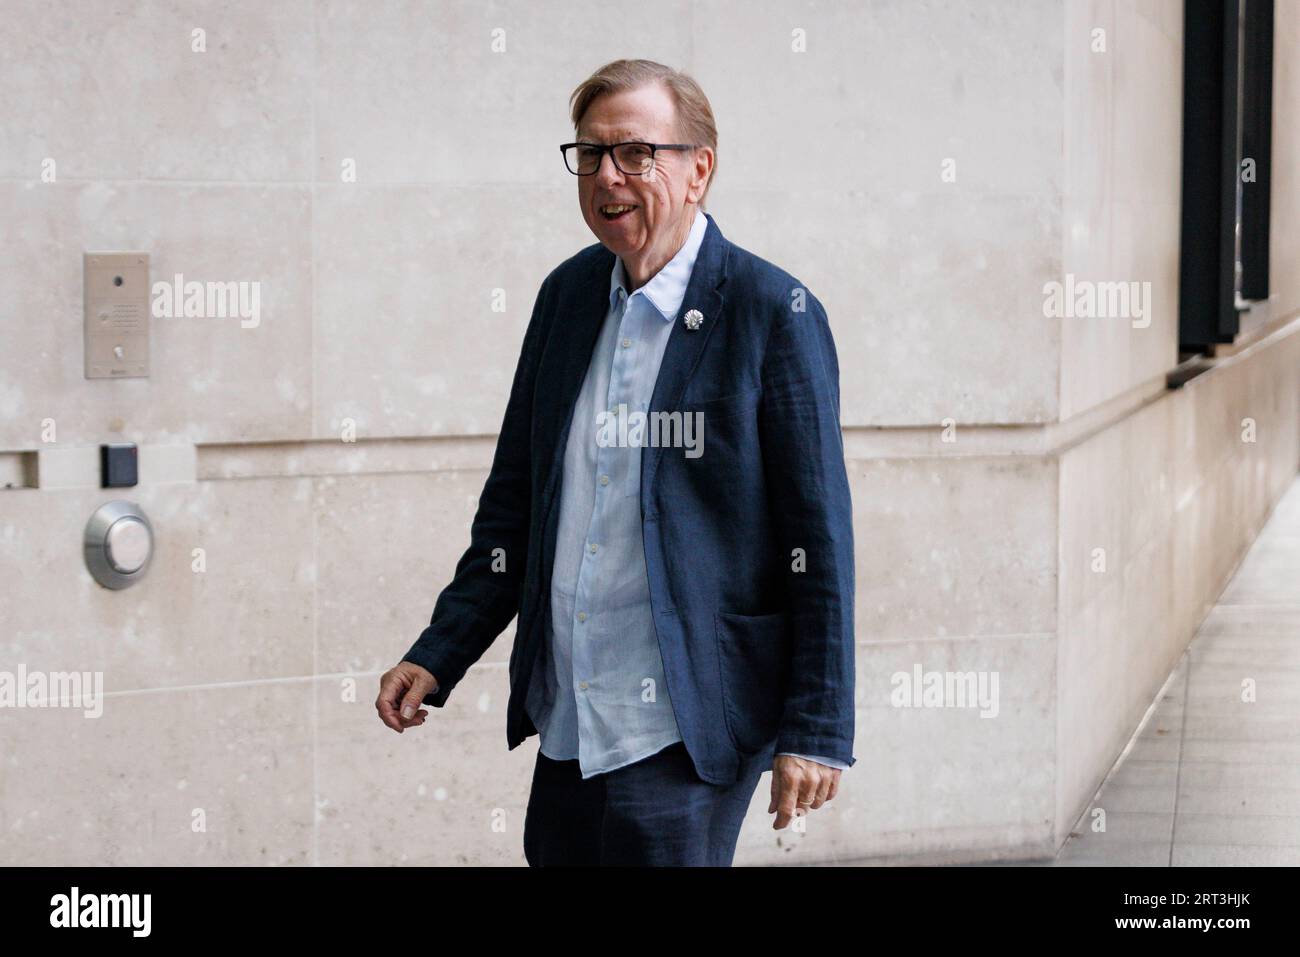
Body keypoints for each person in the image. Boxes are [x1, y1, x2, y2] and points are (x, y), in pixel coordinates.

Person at [376, 58, 856, 866]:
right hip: (569, 714)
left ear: (698, 168)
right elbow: (515, 508)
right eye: (590, 154)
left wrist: (816, 727)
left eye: (636, 153)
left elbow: (821, 538)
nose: (609, 176)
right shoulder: (567, 297)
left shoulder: (773, 312)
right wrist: (439, 650)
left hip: (688, 718)